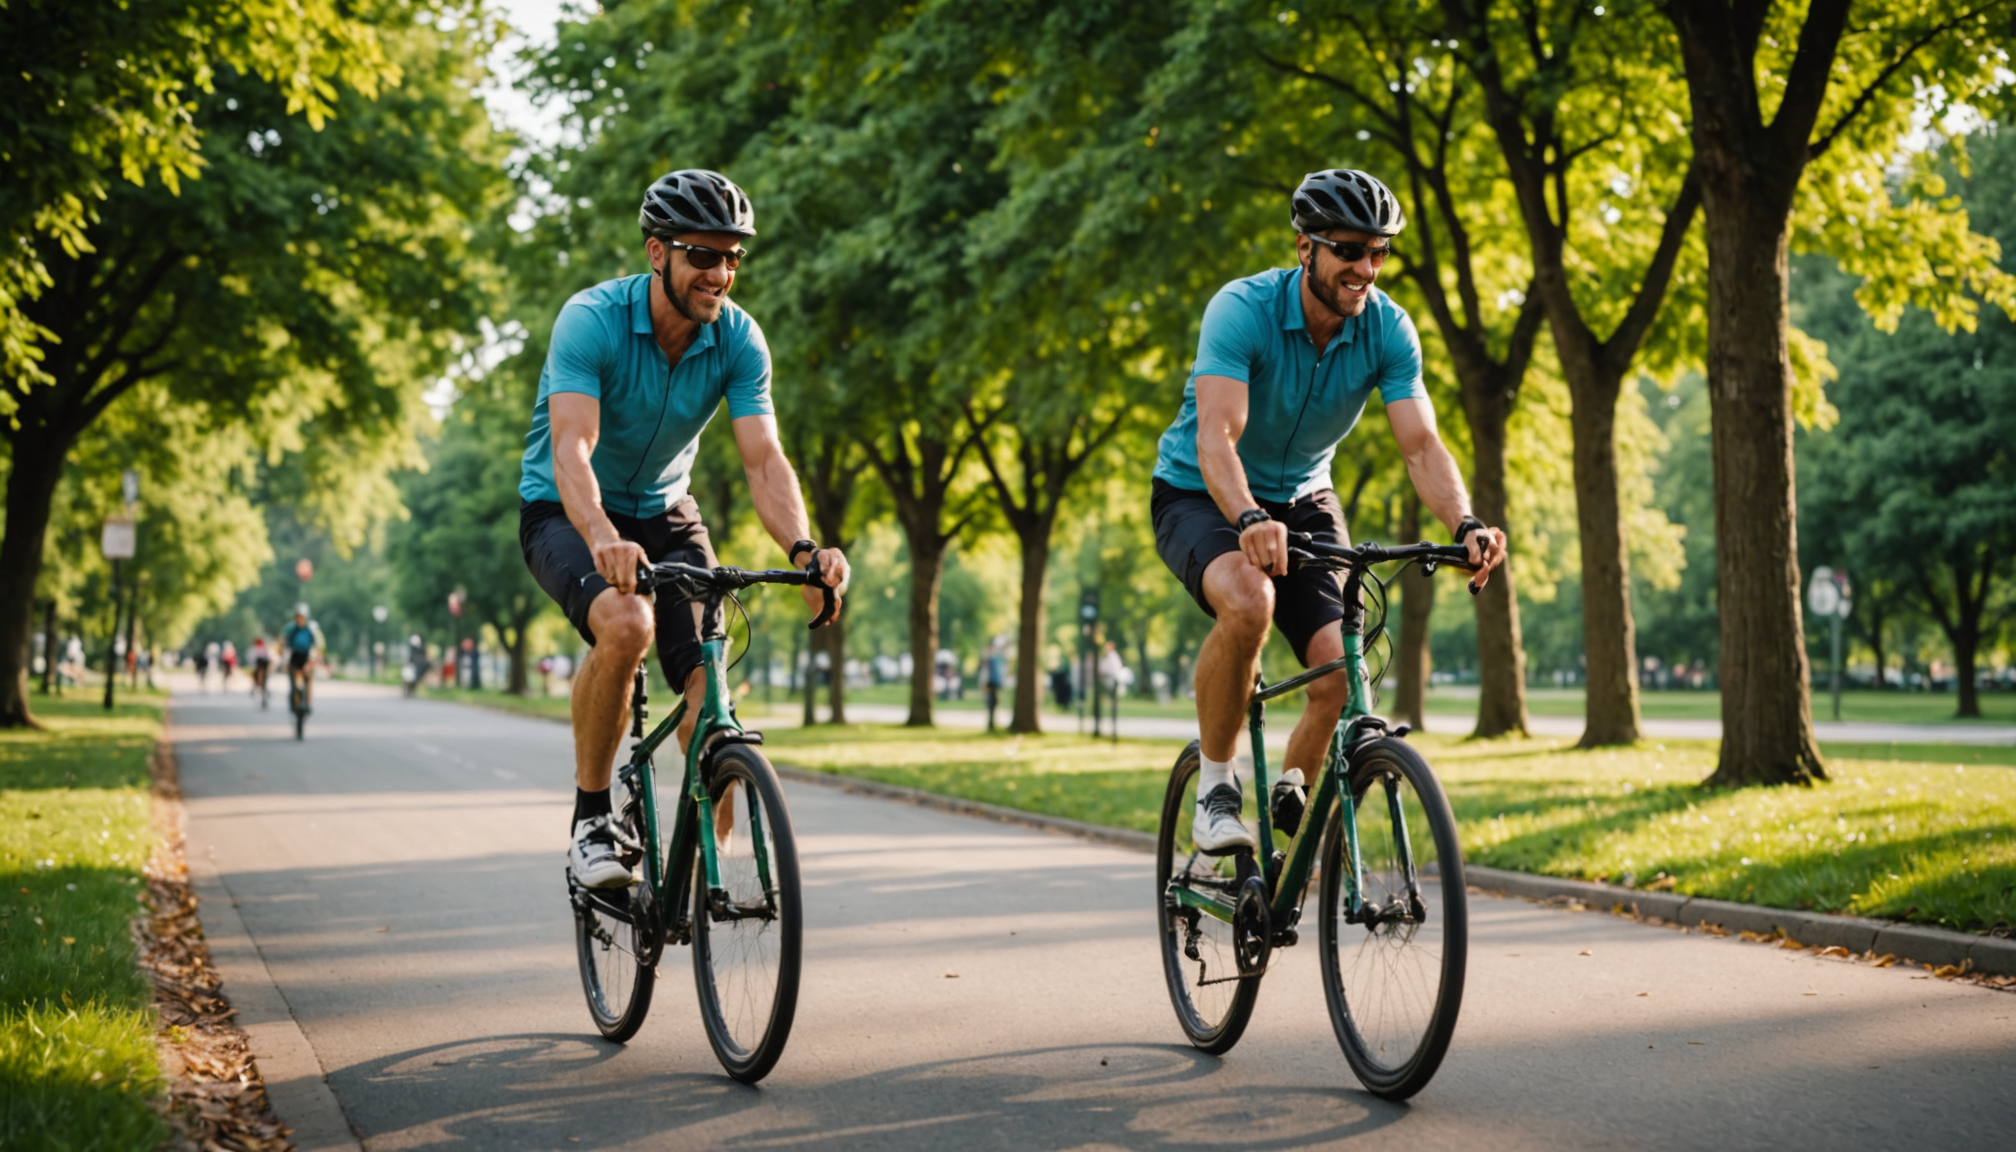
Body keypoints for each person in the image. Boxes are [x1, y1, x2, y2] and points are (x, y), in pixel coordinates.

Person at [1150, 168, 1508, 853]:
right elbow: (1216, 435)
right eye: (1349, 248)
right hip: (1202, 489)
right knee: (1250, 601)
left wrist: (1463, 522)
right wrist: (1250, 519)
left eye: (1379, 251)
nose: (1365, 267)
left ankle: (1293, 795)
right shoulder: (1241, 310)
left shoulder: (1388, 329)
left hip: (1305, 496)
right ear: (1304, 247)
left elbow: (1421, 445)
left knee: (1344, 673)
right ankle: (1217, 792)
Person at [517, 169, 849, 889]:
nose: (721, 273)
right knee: (626, 623)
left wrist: (804, 548)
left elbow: (763, 460)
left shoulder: (738, 340)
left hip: (668, 510)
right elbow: (571, 449)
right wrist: (603, 534)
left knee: (712, 684)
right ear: (656, 253)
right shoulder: (592, 320)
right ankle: (593, 818)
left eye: (733, 257)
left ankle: (702, 864)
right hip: (568, 508)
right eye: (703, 253)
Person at [281, 605, 325, 713]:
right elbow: (282, 643)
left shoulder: (312, 629)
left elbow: (319, 645)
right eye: (298, 617)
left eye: (302, 617)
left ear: (306, 617)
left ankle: (308, 703)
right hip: (294, 655)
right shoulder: (290, 629)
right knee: (293, 679)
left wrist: (317, 658)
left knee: (308, 678)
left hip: (307, 656)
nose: (300, 619)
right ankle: (293, 698)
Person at [249, 637, 273, 707]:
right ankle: (262, 692)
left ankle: (256, 690)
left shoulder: (254, 649)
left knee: (260, 683)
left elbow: (251, 659)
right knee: (263, 684)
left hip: (260, 668)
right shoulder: (264, 649)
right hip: (262, 669)